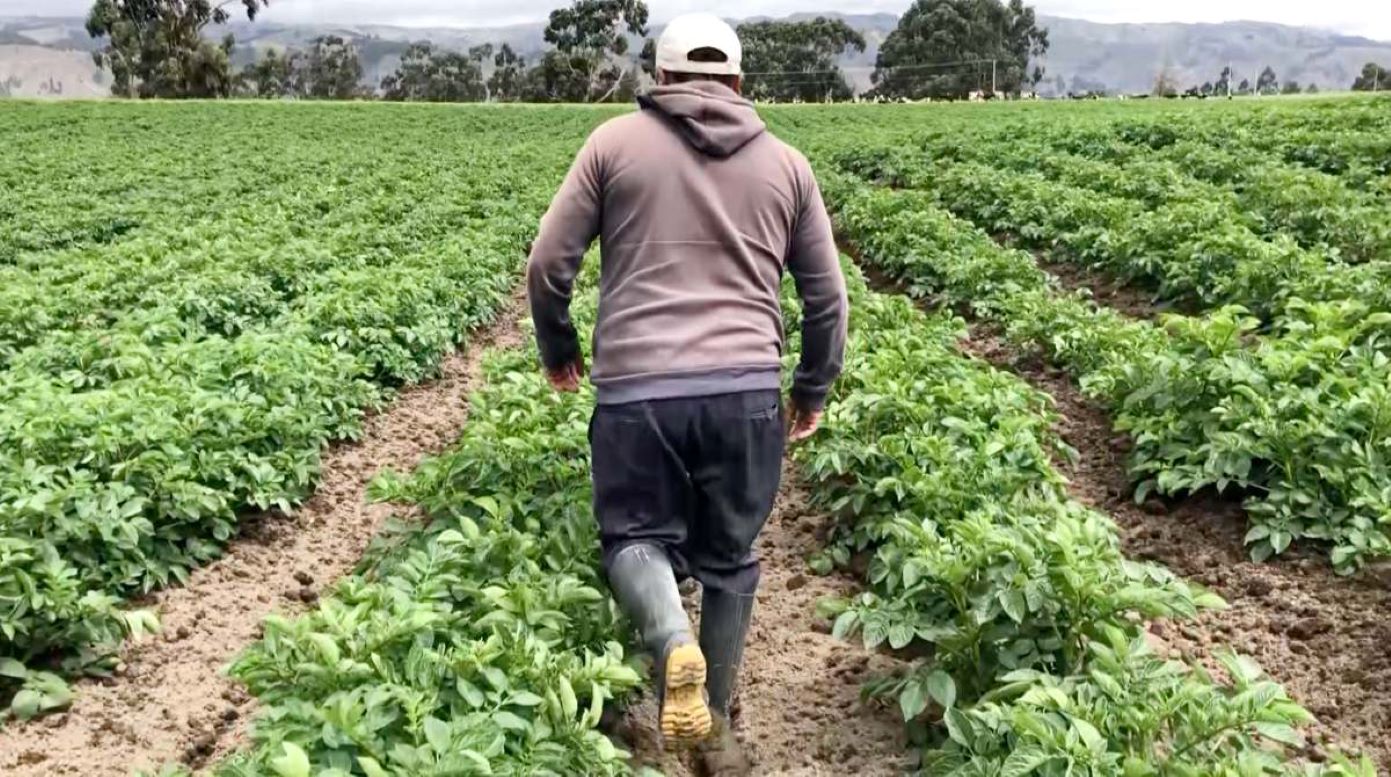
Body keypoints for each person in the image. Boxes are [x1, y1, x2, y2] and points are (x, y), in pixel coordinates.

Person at [525, 10, 848, 772]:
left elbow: (547, 265)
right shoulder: (787, 165)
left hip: (637, 391)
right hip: (744, 393)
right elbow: (827, 299)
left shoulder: (612, 144)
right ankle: (717, 730)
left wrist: (559, 349)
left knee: (635, 537)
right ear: (738, 81)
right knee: (729, 557)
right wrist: (810, 388)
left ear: (660, 78)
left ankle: (672, 641)